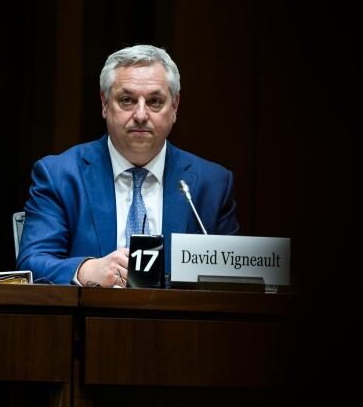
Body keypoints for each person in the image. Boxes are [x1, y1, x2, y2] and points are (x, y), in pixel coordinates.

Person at [17, 44, 239, 286]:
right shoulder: (60, 175)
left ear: (174, 107)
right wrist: (85, 270)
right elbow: (32, 262)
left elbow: (235, 279)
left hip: (181, 323)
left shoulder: (212, 184)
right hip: (90, 321)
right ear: (104, 103)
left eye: (155, 101)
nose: (141, 114)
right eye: (127, 100)